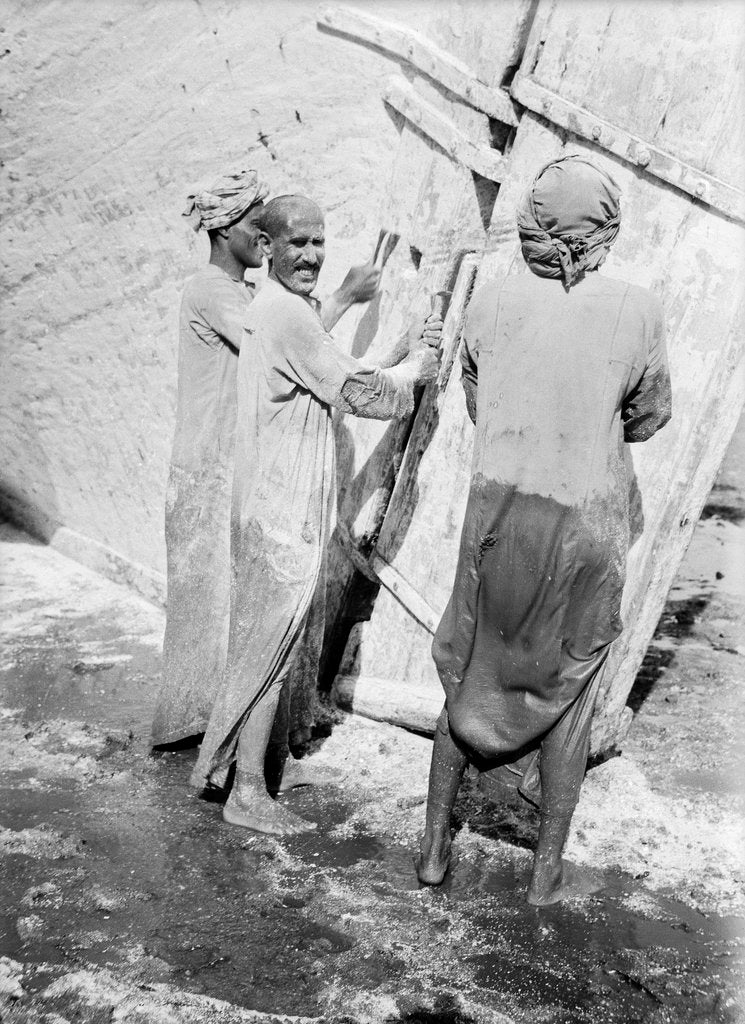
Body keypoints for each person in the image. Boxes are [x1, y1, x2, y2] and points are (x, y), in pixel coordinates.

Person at [416, 155, 672, 904]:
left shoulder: (489, 304)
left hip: (496, 524)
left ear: (530, 223)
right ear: (605, 227)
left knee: (473, 673)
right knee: (569, 692)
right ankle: (544, 870)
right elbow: (648, 415)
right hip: (581, 533)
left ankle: (432, 846)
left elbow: (474, 399)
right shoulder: (636, 309)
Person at [190, 195, 442, 833]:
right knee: (267, 652)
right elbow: (362, 394)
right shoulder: (286, 314)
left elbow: (338, 372)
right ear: (267, 247)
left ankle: (270, 764)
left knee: (278, 642)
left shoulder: (284, 309)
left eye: (319, 242)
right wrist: (419, 367)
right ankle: (246, 792)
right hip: (280, 511)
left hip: (278, 502)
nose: (310, 255)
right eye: (296, 243)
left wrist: (402, 353)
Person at [152, 171, 380, 748]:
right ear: (226, 229)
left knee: (233, 614)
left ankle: (217, 735)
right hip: (207, 469)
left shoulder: (248, 294)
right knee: (208, 611)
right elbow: (277, 341)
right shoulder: (209, 290)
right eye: (257, 227)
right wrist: (347, 297)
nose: (264, 238)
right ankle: (196, 731)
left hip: (229, 465)